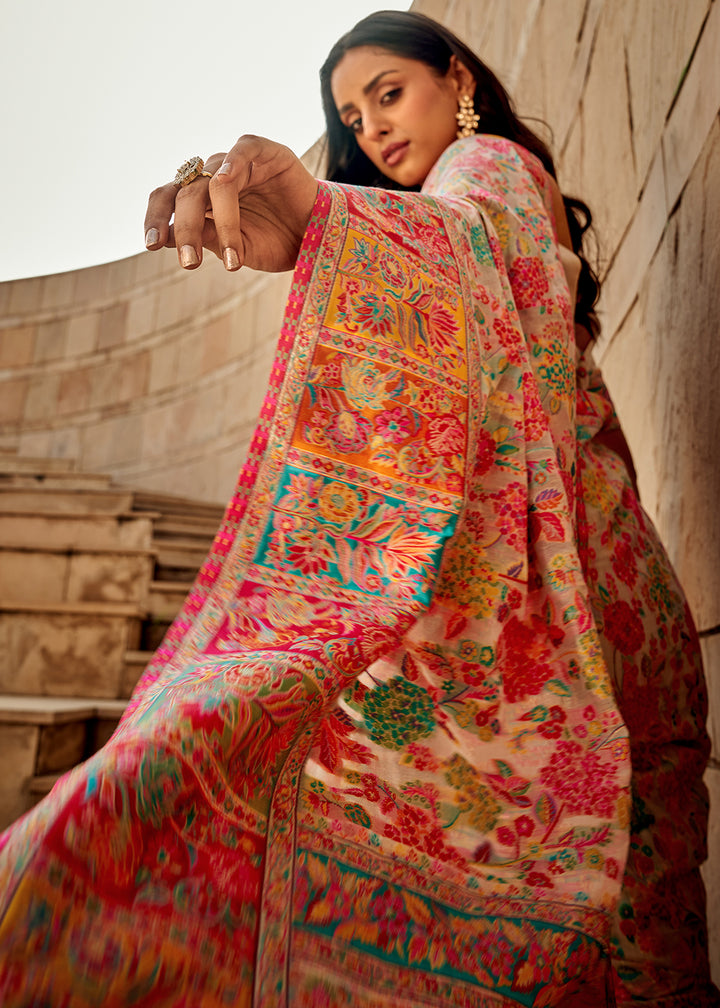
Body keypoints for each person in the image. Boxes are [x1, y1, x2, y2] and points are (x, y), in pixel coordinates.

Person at [0, 10, 714, 1007]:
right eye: (351, 114)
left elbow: (469, 236)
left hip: (589, 606)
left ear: (456, 79)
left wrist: (330, 225)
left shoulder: (490, 168)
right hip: (608, 596)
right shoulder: (459, 194)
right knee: (650, 943)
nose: (374, 128)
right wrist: (334, 229)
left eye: (389, 91)